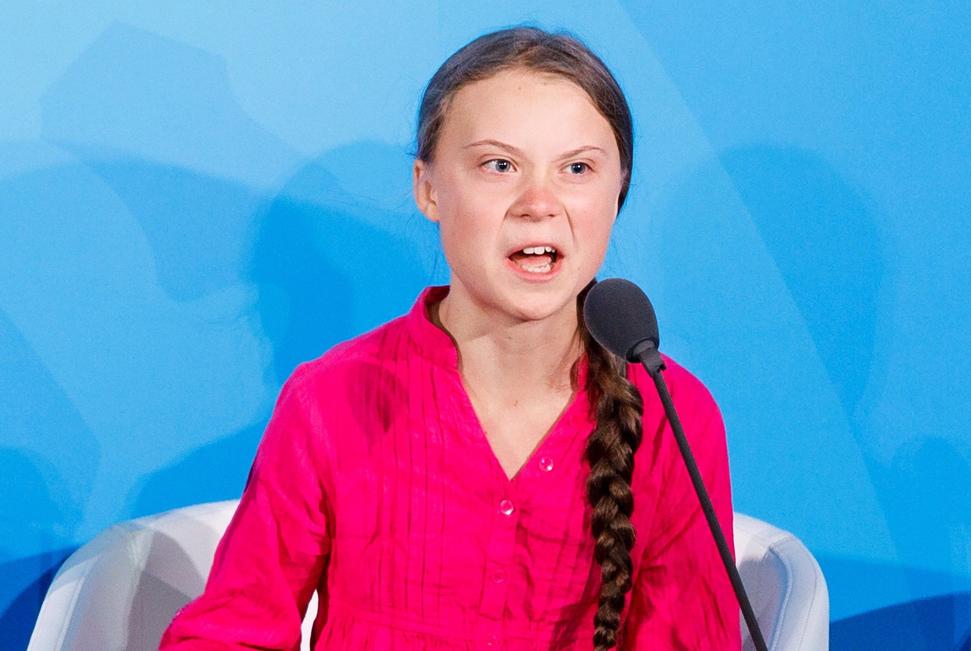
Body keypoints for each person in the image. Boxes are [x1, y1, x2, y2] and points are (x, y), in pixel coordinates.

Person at [160, 26, 739, 650]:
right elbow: (230, 633)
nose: (539, 203)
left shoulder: (674, 414)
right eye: (499, 165)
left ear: (617, 189)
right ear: (428, 188)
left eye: (577, 168)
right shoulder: (330, 398)